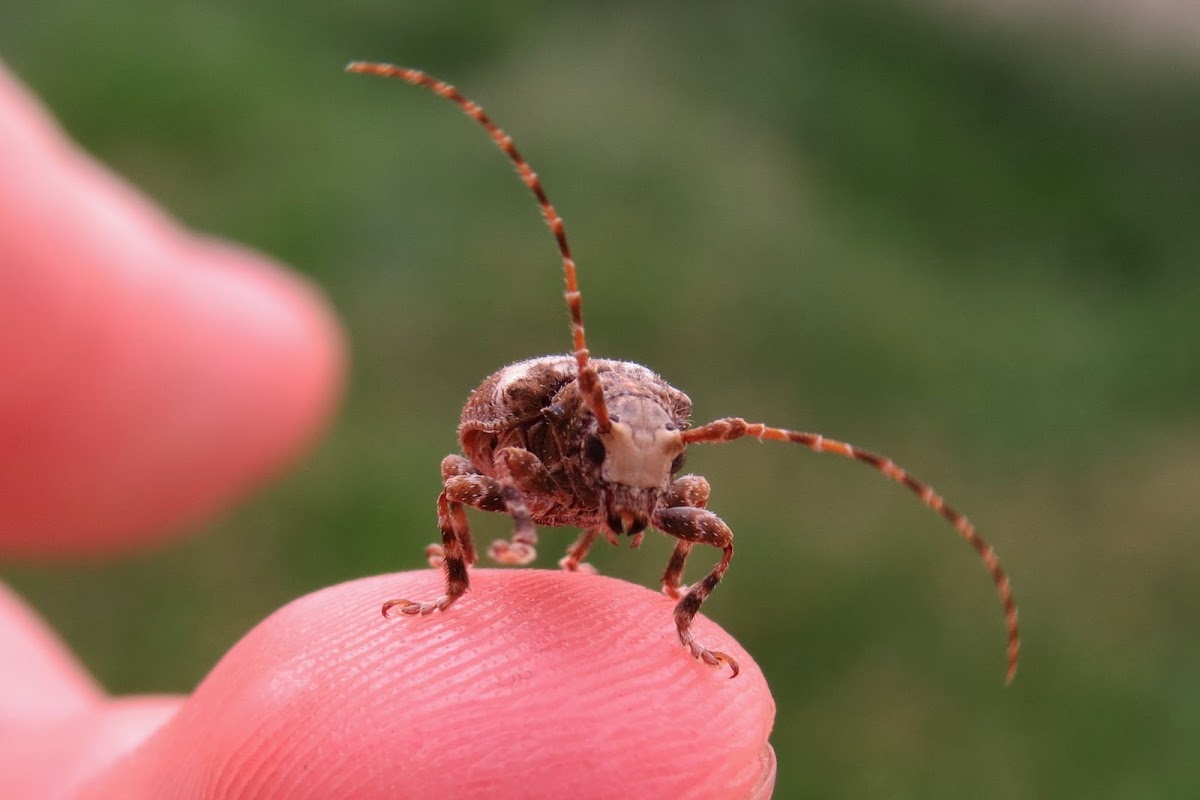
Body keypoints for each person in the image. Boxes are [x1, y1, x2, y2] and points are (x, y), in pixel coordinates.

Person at [0, 62, 775, 798]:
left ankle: (676, 607)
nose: (640, 501)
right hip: (523, 448)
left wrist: (665, 565)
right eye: (618, 467)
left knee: (719, 531)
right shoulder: (541, 422)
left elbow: (670, 484)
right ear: (589, 437)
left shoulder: (662, 451)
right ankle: (458, 586)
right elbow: (492, 457)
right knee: (461, 487)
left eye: (656, 475)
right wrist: (517, 521)